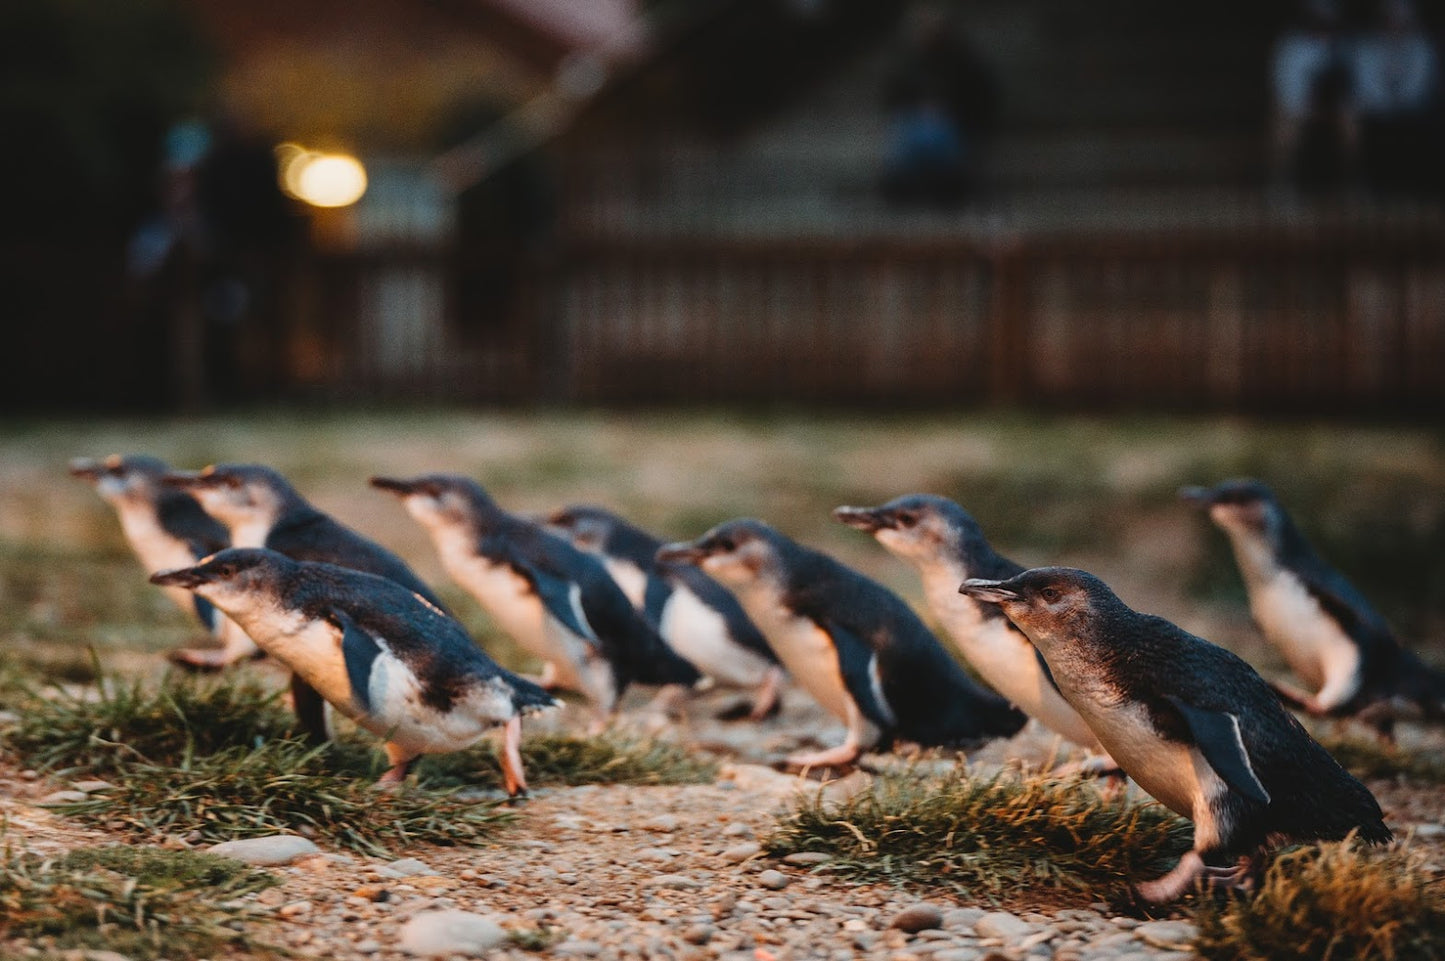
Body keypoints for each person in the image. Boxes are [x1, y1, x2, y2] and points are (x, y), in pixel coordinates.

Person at [1351, 0, 1441, 195]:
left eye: (1401, 21)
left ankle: (1417, 187)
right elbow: (1367, 86)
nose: (1395, 26)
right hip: (1376, 114)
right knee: (1367, 128)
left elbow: (1419, 87)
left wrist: (1399, 106)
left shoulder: (1421, 47)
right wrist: (1386, 107)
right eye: (1391, 20)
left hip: (1413, 114)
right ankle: (1371, 186)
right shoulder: (1367, 47)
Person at [1270, 0, 1357, 194]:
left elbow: (1352, 90)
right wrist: (1311, 109)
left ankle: (1352, 183)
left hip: (1335, 110)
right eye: (1318, 22)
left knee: (1351, 123)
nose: (1323, 28)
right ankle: (1282, 184)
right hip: (1301, 109)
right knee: (1284, 125)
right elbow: (1287, 95)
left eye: (1328, 23)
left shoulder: (1345, 47)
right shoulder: (1291, 47)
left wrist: (1335, 108)